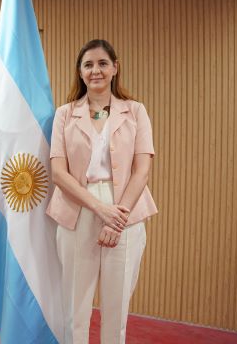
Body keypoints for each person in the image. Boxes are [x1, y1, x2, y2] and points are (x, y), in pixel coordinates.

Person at [46, 39, 158, 344]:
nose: (96, 70)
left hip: (126, 211)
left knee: (116, 308)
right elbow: (58, 172)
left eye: (102, 63)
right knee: (75, 307)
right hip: (77, 209)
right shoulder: (64, 114)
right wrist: (100, 209)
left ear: (115, 68)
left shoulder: (135, 111)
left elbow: (142, 170)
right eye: (88, 64)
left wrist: (116, 217)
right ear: (80, 73)